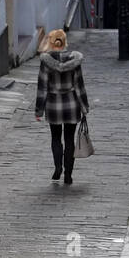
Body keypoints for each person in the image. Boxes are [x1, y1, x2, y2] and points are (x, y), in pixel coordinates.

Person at [34, 29, 89, 186]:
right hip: (71, 103)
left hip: (53, 103)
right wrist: (84, 106)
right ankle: (68, 174)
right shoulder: (74, 60)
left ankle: (58, 167)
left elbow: (42, 87)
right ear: (65, 42)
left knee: (56, 137)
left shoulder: (46, 61)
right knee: (69, 139)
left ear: (51, 42)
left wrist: (39, 109)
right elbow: (79, 85)